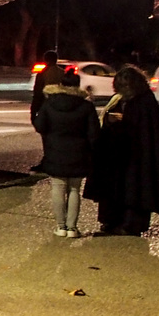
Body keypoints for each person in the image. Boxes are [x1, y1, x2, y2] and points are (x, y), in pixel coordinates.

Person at [83, 66, 159, 236]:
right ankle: (112, 220)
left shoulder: (144, 100)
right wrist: (111, 121)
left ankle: (131, 224)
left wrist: (123, 122)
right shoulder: (120, 99)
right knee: (116, 189)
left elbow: (145, 130)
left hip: (138, 155)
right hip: (117, 154)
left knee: (136, 190)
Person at [33, 66, 99, 238]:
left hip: (55, 151)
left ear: (61, 84)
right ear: (78, 86)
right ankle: (72, 228)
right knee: (74, 190)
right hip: (79, 153)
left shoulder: (49, 103)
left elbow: (40, 126)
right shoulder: (86, 106)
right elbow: (94, 134)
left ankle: (60, 226)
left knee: (57, 187)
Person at [29, 50, 60, 124]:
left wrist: (33, 112)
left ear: (45, 60)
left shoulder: (42, 74)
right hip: (59, 103)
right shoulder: (63, 73)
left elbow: (37, 93)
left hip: (45, 103)